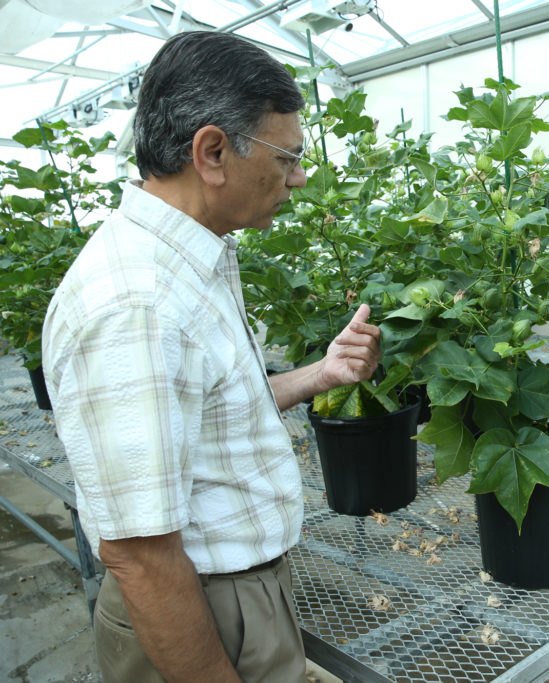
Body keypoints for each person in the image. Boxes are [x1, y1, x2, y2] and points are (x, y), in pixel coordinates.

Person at [42, 31, 382, 683]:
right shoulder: (137, 305)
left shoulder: (192, 257)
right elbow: (141, 555)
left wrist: (322, 374)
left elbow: (207, 417)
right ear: (213, 152)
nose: (299, 176)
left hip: (234, 595)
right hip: (198, 608)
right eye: (287, 156)